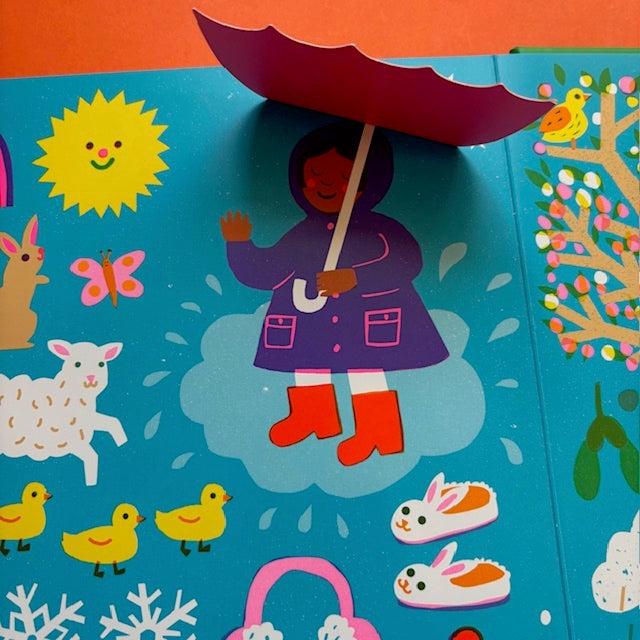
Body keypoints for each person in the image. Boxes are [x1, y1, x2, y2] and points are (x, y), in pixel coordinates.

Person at [221, 121, 448, 466]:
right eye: (315, 174)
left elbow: (406, 262)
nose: (327, 184)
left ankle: (378, 431)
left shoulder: (381, 230)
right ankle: (314, 416)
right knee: (308, 364)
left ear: (365, 185)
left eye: (344, 176)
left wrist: (355, 278)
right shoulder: (301, 234)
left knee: (366, 370)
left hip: (367, 325)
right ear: (299, 180)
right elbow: (267, 272)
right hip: (311, 323)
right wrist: (239, 245)